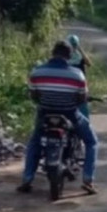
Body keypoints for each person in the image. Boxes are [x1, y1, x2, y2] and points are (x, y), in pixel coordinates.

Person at [18, 41, 99, 195]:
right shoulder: (77, 74)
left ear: (52, 53)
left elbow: (34, 96)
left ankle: (27, 179)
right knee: (91, 141)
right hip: (69, 113)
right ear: (69, 56)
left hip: (45, 114)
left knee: (34, 142)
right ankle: (88, 179)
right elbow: (81, 98)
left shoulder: (37, 72)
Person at [67, 34, 93, 118]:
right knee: (82, 106)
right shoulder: (72, 56)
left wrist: (80, 51)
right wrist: (80, 50)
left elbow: (89, 63)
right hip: (78, 84)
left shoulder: (72, 56)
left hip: (72, 84)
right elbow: (89, 64)